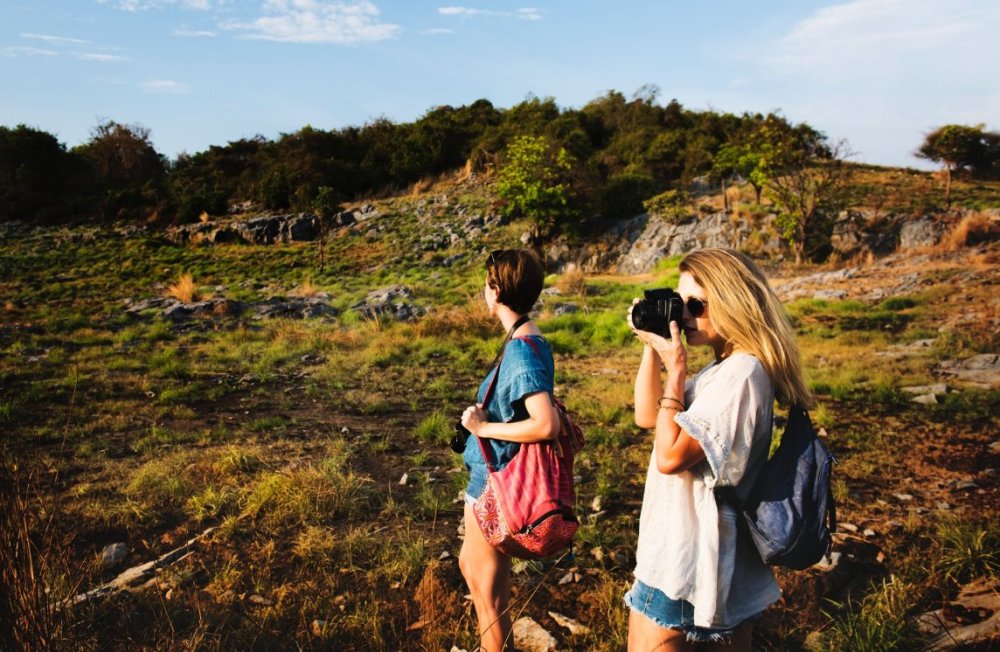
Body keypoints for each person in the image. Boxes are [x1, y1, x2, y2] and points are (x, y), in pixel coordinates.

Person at [625, 248, 813, 651]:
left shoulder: (743, 373)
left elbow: (670, 457)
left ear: (733, 302)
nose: (685, 315)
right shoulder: (723, 369)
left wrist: (676, 371)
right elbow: (647, 415)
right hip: (699, 554)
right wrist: (652, 346)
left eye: (696, 304)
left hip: (686, 561)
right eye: (680, 303)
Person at [458, 248, 561, 652]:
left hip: (494, 481)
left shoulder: (521, 348)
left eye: (487, 283)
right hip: (493, 474)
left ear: (496, 289)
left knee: (487, 593)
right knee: (478, 574)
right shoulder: (528, 339)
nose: (485, 291)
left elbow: (545, 423)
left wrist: (484, 426)